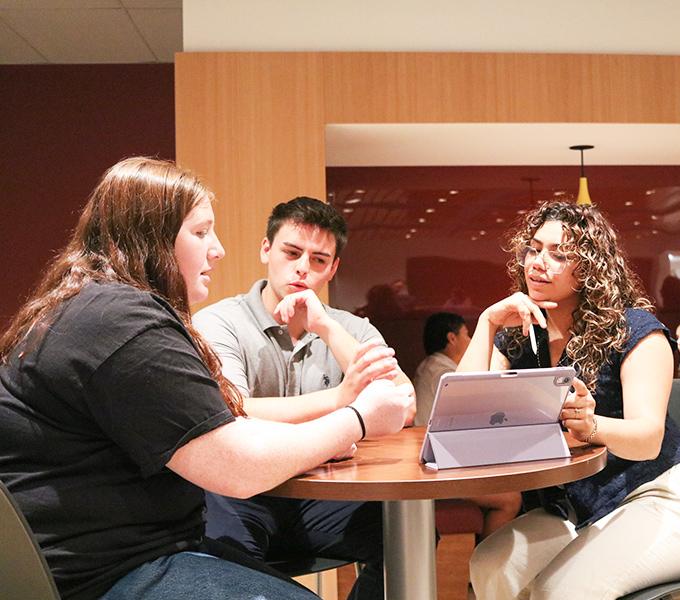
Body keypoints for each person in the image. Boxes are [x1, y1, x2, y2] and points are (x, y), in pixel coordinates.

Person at [0, 157, 413, 600]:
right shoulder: (123, 321)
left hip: (127, 550)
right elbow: (235, 465)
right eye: (200, 232)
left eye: (319, 259)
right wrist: (358, 416)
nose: (217, 249)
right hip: (102, 572)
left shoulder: (97, 307)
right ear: (151, 236)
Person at [457, 201, 680, 600]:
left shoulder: (636, 331)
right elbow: (462, 414)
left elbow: (649, 438)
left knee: (559, 592)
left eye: (559, 254)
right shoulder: (518, 334)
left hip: (665, 499)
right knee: (489, 566)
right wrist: (487, 322)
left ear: (590, 268)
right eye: (533, 248)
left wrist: (592, 425)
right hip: (578, 507)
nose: (538, 262)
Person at [193, 196, 415, 600]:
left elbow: (402, 400)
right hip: (243, 495)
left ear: (333, 269)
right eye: (291, 253)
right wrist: (343, 402)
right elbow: (233, 409)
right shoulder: (219, 321)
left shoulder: (349, 327)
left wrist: (326, 327)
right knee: (224, 553)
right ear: (266, 250)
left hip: (318, 497)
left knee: (407, 533)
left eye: (318, 260)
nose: (302, 268)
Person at [413, 312, 522, 539]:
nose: (471, 340)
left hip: (435, 458)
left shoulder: (430, 366)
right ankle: (484, 571)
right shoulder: (444, 373)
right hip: (435, 463)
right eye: (467, 334)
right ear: (452, 338)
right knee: (510, 500)